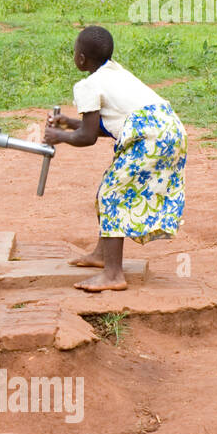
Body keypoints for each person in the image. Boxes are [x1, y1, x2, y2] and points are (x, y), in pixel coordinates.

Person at [44, 25, 186, 292]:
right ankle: (102, 256)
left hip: (150, 140)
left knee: (112, 194)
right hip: (169, 131)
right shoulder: (115, 73)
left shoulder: (87, 85)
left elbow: (88, 137)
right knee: (110, 189)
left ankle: (113, 275)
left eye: (75, 51)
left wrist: (57, 136)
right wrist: (68, 124)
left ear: (81, 59)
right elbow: (107, 124)